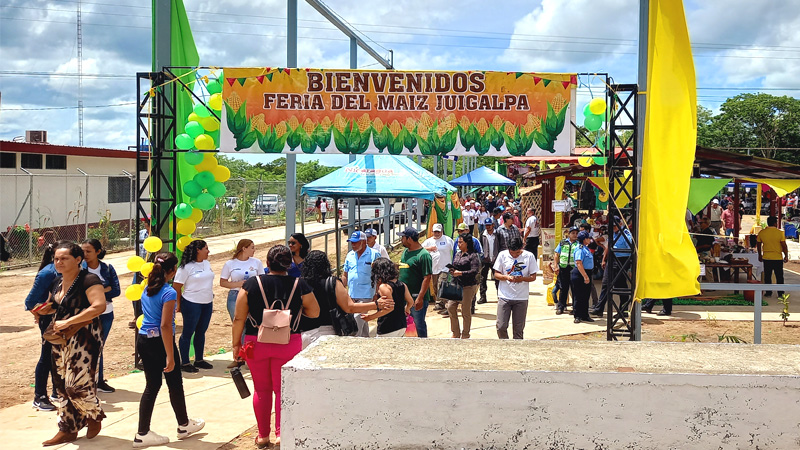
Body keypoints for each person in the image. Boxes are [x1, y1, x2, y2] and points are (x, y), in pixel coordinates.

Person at [232, 245, 320, 448]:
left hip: (256, 342)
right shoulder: (300, 284)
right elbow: (314, 312)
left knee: (261, 390)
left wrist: (236, 344)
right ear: (289, 264)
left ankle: (263, 435)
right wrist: (294, 313)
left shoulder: (252, 284)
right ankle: (281, 433)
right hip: (288, 341)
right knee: (283, 390)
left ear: (267, 262)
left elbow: (238, 317)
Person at [134, 252, 205, 448]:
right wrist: (170, 356)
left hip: (144, 339)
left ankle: (177, 425)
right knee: (172, 383)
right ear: (172, 271)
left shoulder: (147, 288)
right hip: (160, 342)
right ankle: (170, 427)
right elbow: (165, 325)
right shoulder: (168, 292)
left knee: (155, 385)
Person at [42, 242, 106, 446]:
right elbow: (57, 303)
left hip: (85, 337)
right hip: (61, 338)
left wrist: (69, 321)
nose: (58, 262)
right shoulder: (57, 282)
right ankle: (68, 428)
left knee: (75, 384)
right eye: (56, 259)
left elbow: (99, 306)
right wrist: (44, 309)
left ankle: (93, 414)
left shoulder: (88, 279)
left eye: (64, 258)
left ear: (78, 260)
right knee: (60, 384)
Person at [299, 250, 392, 348]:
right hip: (328, 331)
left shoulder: (301, 283)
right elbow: (349, 307)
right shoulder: (332, 282)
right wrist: (376, 304)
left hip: (305, 334)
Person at [24, 242, 62, 412]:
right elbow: (30, 302)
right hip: (49, 321)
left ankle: (56, 391)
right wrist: (40, 313)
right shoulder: (47, 273)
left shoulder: (74, 271)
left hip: (65, 320)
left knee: (59, 356)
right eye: (60, 257)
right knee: (46, 357)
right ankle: (39, 396)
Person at [80, 239, 121, 394]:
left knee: (99, 347)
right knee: (87, 348)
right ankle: (86, 381)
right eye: (83, 251)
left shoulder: (107, 268)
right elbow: (80, 293)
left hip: (106, 314)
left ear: (98, 252)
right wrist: (104, 289)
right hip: (87, 314)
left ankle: (99, 380)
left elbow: (116, 291)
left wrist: (96, 291)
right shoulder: (80, 270)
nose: (85, 255)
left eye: (88, 251)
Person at [173, 240, 215, 373]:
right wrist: (178, 304)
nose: (208, 251)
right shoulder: (186, 267)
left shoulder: (207, 263)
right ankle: (184, 362)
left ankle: (199, 359)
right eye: (206, 249)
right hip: (191, 303)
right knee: (188, 332)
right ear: (198, 250)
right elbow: (177, 286)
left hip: (207, 302)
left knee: (201, 331)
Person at [493, 238, 538, 339]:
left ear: (521, 249)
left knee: (518, 329)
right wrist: (507, 277)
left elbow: (533, 276)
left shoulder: (529, 256)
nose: (514, 255)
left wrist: (522, 279)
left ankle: (517, 349)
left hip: (521, 297)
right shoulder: (502, 255)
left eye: (517, 253)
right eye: (512, 253)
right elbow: (496, 274)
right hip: (504, 296)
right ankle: (505, 345)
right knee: (501, 326)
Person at [590, 218, 633, 317]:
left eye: (615, 225)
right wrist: (604, 259)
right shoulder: (612, 233)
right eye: (612, 226)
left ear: (620, 223)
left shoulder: (626, 234)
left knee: (620, 285)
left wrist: (630, 266)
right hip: (612, 259)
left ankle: (623, 309)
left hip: (621, 261)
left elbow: (631, 249)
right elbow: (608, 246)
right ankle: (599, 308)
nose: (613, 228)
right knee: (606, 283)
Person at [361, 258, 413, 337]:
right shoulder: (402, 285)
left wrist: (370, 317)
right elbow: (411, 301)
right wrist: (407, 309)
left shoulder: (384, 287)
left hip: (388, 326)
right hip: (401, 325)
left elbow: (389, 308)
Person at [342, 231, 380, 337]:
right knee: (362, 322)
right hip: (352, 294)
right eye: (352, 243)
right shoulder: (350, 255)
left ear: (363, 242)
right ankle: (365, 341)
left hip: (367, 294)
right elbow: (345, 274)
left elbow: (379, 275)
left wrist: (377, 293)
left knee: (356, 321)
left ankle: (353, 344)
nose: (353, 245)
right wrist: (343, 290)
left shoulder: (374, 254)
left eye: (355, 242)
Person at [398, 227, 433, 338]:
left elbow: (427, 277)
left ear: (409, 239)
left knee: (418, 324)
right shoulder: (405, 252)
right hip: (403, 297)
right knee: (404, 324)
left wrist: (420, 298)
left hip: (415, 297)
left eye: (402, 237)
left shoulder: (423, 255)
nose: (401, 240)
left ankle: (422, 345)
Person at [220, 239, 264, 321]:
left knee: (253, 323)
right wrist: (238, 284)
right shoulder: (230, 263)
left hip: (253, 295)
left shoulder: (257, 262)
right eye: (252, 248)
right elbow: (222, 282)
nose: (254, 250)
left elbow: (262, 279)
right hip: (235, 295)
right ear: (244, 249)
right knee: (238, 323)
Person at [447, 235, 481, 339]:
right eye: (458, 242)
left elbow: (475, 270)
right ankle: (455, 332)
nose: (459, 244)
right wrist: (452, 270)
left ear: (467, 243)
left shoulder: (473, 255)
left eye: (461, 242)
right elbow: (455, 265)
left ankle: (465, 334)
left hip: (468, 286)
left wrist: (460, 273)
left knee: (465, 310)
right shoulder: (457, 254)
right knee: (451, 307)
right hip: (456, 284)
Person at [422, 223, 454, 311]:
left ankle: (439, 303)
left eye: (438, 232)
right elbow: (420, 248)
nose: (437, 234)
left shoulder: (448, 240)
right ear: (432, 232)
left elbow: (455, 249)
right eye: (435, 232)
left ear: (442, 231)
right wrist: (429, 249)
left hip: (445, 267)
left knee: (441, 284)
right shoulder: (429, 241)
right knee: (436, 286)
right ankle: (441, 301)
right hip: (434, 268)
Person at [757, 216, 789, 297]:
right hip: (777, 258)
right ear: (775, 223)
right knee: (779, 276)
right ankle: (780, 293)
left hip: (766, 257)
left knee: (767, 276)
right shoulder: (780, 233)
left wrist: (759, 254)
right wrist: (786, 255)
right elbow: (784, 245)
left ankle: (768, 292)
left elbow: (758, 244)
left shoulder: (762, 232)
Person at [553, 227, 580, 315]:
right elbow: (556, 254)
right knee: (563, 288)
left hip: (573, 269)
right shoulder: (563, 242)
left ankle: (575, 308)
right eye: (573, 233)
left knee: (575, 288)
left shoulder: (579, 244)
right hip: (563, 268)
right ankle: (561, 307)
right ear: (569, 234)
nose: (575, 235)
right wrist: (556, 265)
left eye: (576, 233)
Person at [570, 231, 595, 323]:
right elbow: (579, 263)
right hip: (580, 273)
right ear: (584, 240)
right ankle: (577, 315)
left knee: (586, 295)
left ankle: (585, 315)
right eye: (588, 238)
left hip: (587, 272)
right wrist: (585, 276)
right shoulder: (579, 249)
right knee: (578, 295)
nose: (590, 239)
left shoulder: (586, 248)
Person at [479, 217, 504, 304]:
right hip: (485, 260)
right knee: (482, 279)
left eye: (489, 225)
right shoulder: (482, 234)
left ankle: (500, 296)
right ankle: (483, 297)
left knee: (498, 279)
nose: (488, 227)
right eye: (486, 225)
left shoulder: (497, 234)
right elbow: (480, 247)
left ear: (493, 225)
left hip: (495, 260)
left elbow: (501, 245)